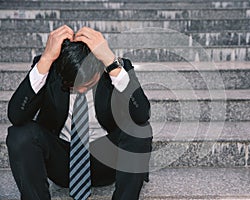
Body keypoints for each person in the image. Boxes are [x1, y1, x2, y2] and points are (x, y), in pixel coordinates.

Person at [6, 25, 152, 200]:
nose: (81, 89)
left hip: (108, 161)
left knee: (138, 129)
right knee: (19, 134)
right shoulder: (50, 66)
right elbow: (16, 116)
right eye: (73, 85)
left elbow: (142, 115)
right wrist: (45, 60)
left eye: (88, 83)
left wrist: (111, 63)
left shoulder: (115, 66)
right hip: (63, 163)